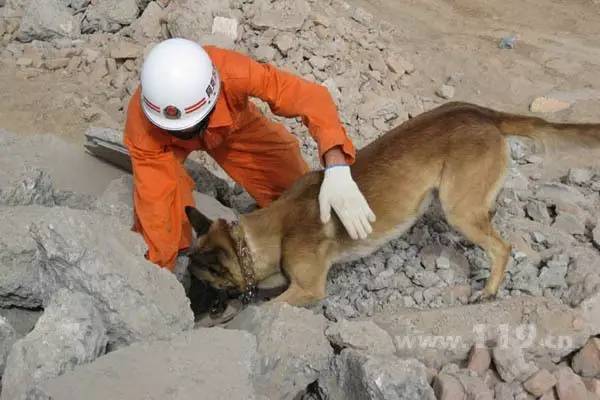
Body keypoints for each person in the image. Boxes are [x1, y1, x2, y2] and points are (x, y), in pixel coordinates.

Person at [124, 38, 376, 272]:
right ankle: (173, 272)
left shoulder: (234, 72)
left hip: (231, 127)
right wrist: (160, 275)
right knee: (160, 230)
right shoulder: (143, 128)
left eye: (193, 125)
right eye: (181, 129)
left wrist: (337, 167)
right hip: (164, 145)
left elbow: (309, 97)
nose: (189, 133)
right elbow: (155, 206)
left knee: (295, 194)